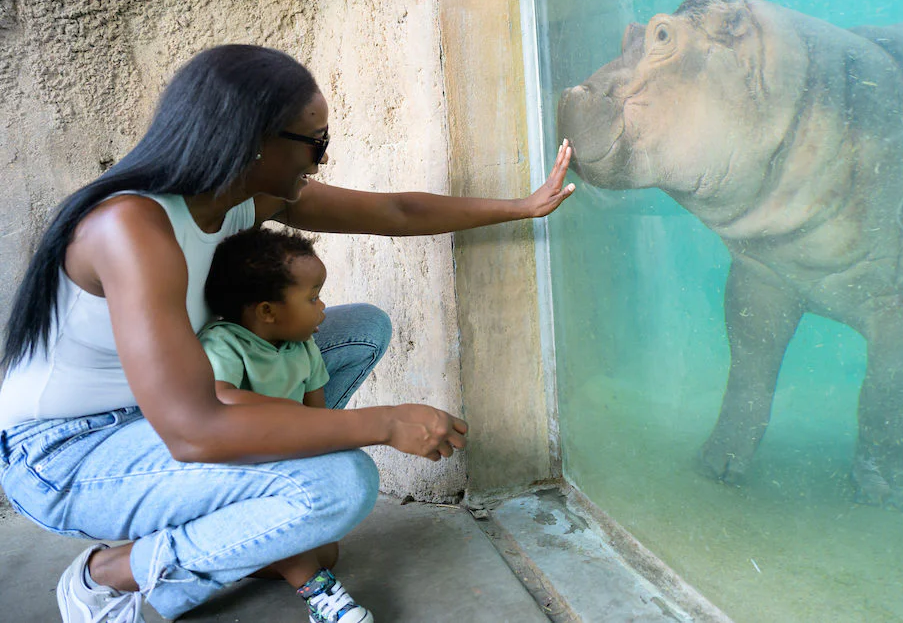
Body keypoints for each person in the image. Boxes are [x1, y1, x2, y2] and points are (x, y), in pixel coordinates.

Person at [0, 44, 575, 623]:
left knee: (356, 332)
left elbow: (397, 211)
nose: (321, 160)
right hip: (65, 455)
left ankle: (240, 521)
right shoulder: (132, 227)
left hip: (164, 415)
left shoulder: (236, 201)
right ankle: (109, 577)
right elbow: (193, 430)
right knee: (338, 486)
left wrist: (522, 208)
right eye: (315, 142)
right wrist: (384, 422)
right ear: (251, 139)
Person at [198, 226, 370, 622]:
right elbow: (218, 395)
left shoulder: (303, 348)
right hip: (233, 469)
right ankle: (322, 597)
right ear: (267, 311)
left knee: (328, 551)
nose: (323, 307)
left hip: (284, 461)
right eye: (312, 298)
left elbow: (318, 419)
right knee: (308, 557)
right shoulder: (225, 342)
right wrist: (283, 416)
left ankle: (220, 559)